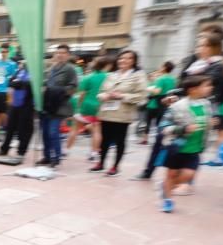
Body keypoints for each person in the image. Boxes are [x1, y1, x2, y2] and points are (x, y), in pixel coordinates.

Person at [158, 74, 213, 213]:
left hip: (195, 148)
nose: (210, 88)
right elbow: (163, 127)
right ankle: (168, 200)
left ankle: (166, 187)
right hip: (176, 148)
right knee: (171, 175)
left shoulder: (206, 104)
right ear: (193, 89)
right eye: (206, 85)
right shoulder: (177, 107)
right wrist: (183, 129)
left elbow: (206, 121)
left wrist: (212, 123)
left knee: (187, 176)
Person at [91, 50, 147, 176]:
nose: (124, 61)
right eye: (121, 58)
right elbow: (101, 91)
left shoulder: (138, 75)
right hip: (107, 112)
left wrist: (122, 96)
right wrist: (104, 95)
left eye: (128, 58)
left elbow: (142, 95)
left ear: (134, 61)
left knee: (119, 141)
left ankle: (115, 166)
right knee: (104, 140)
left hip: (123, 114)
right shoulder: (111, 75)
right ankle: (101, 163)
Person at [39, 44, 78, 168]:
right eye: (57, 52)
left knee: (53, 132)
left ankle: (56, 157)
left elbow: (73, 87)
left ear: (67, 55)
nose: (59, 55)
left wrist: (57, 91)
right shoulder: (50, 68)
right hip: (46, 104)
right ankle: (46, 156)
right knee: (44, 132)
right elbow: (44, 82)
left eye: (63, 53)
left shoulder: (70, 69)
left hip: (59, 105)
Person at [68, 56, 113, 161]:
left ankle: (66, 150)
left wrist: (78, 107)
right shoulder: (110, 77)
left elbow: (82, 93)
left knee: (75, 128)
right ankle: (93, 153)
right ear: (107, 65)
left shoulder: (88, 77)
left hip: (86, 105)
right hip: (101, 106)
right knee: (97, 131)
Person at [0, 60, 34, 159]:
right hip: (14, 104)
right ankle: (4, 149)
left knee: (24, 129)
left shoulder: (35, 73)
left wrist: (19, 83)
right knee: (9, 128)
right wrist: (19, 83)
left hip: (27, 105)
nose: (23, 63)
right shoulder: (19, 71)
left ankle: (21, 151)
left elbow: (29, 85)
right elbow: (11, 82)